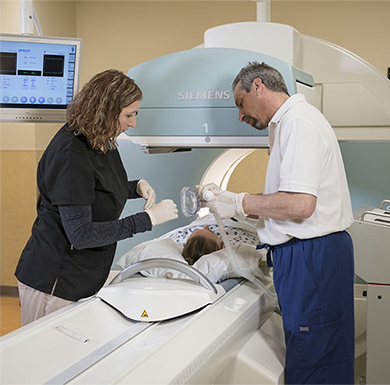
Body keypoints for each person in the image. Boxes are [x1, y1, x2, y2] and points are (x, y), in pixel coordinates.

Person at [198, 62, 355, 384]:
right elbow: (284, 198)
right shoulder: (286, 125)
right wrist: (230, 200)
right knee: (314, 350)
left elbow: (299, 205)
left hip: (311, 255)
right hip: (307, 254)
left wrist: (239, 202)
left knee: (314, 356)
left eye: (240, 103)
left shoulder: (298, 122)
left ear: (258, 86)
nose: (240, 116)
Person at [15, 69, 178, 326]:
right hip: (55, 280)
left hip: (82, 276)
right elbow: (81, 235)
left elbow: (96, 188)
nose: (133, 123)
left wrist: (135, 187)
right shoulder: (71, 154)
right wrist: (146, 219)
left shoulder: (101, 141)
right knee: (44, 361)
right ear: (106, 111)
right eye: (129, 115)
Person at [171, 216, 260, 265]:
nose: (206, 226)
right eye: (211, 232)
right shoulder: (238, 241)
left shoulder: (179, 237)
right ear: (220, 245)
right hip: (237, 221)